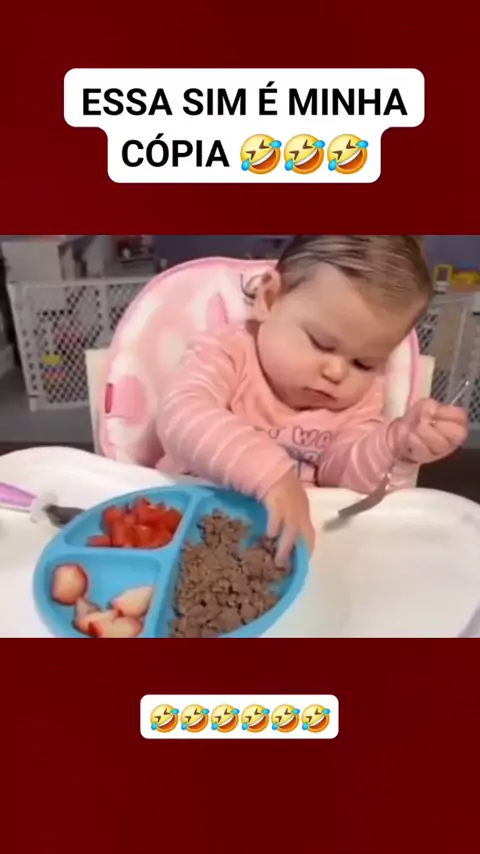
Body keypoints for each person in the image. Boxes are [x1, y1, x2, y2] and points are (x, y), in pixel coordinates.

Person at [156, 235, 468, 562]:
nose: (336, 372)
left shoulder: (361, 399)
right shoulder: (228, 352)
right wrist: (270, 475)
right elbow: (182, 413)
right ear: (270, 299)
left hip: (296, 547)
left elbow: (347, 477)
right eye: (321, 344)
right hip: (181, 526)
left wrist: (396, 446)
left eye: (364, 363)